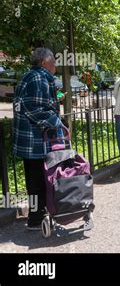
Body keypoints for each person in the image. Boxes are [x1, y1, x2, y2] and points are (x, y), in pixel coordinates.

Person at [13, 47, 64, 230]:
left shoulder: (33, 76)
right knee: (37, 181)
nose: (56, 65)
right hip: (35, 141)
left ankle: (38, 215)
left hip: (32, 140)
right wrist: (57, 122)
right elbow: (34, 108)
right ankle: (35, 219)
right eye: (54, 61)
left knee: (35, 181)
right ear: (44, 63)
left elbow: (36, 103)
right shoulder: (38, 77)